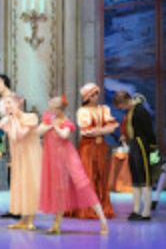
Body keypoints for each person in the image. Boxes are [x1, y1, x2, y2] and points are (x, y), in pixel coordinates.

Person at [39, 96, 108, 235]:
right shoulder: (48, 119)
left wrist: (54, 126)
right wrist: (50, 125)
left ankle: (103, 220)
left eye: (52, 105)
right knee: (59, 191)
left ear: (58, 109)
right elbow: (38, 132)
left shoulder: (66, 122)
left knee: (83, 186)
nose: (49, 106)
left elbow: (64, 135)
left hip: (68, 158)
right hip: (55, 161)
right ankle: (56, 224)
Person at [0, 93, 41, 230]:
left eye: (9, 103)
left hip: (30, 158)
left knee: (30, 185)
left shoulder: (30, 117)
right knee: (19, 186)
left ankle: (30, 220)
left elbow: (20, 135)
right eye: (5, 104)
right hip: (18, 159)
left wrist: (12, 120)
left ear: (19, 103)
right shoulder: (9, 120)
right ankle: (23, 219)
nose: (7, 106)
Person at [71, 83, 118, 219]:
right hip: (87, 147)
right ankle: (86, 208)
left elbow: (112, 127)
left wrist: (99, 130)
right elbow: (86, 131)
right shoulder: (82, 111)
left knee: (101, 175)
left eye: (97, 93)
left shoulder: (104, 109)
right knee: (87, 175)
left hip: (101, 146)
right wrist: (102, 130)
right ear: (87, 97)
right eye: (93, 94)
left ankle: (101, 206)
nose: (96, 96)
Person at [114, 91, 157, 221]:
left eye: (121, 106)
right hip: (134, 145)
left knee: (145, 179)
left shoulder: (140, 111)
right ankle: (136, 209)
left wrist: (153, 150)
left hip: (142, 145)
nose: (122, 109)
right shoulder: (131, 111)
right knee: (136, 179)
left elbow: (149, 132)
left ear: (126, 101)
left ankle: (146, 212)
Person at [0, 74, 16, 218]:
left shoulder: (14, 98)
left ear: (5, 82)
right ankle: (14, 207)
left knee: (17, 170)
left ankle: (20, 207)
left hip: (17, 136)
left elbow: (13, 116)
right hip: (8, 137)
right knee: (12, 170)